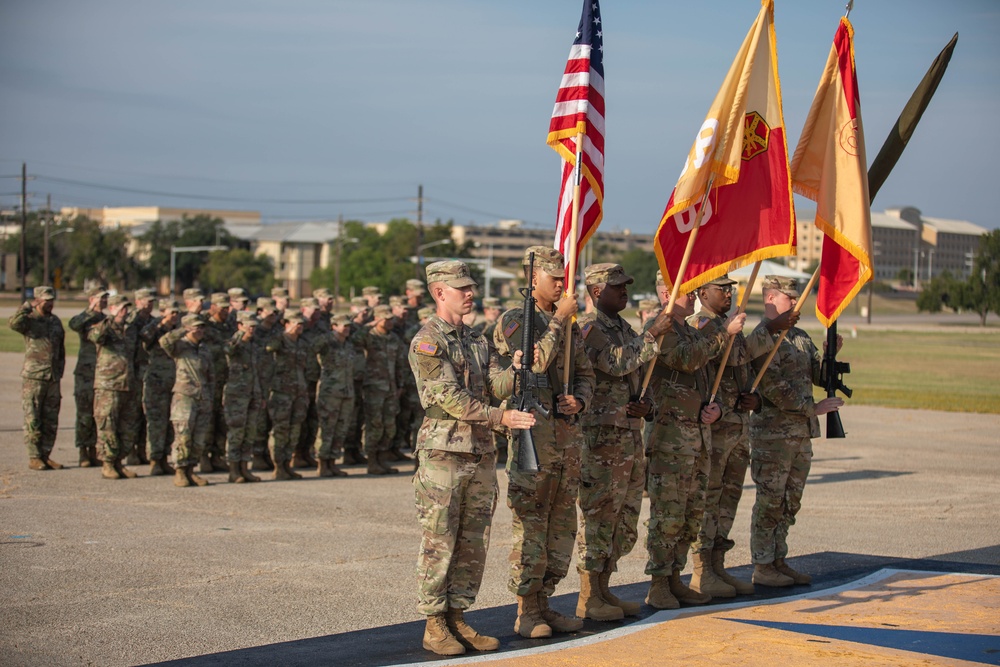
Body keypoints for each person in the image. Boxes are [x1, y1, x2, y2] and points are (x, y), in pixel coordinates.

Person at [409, 260, 532, 656]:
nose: (470, 294)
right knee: (440, 539)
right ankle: (434, 623)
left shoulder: (477, 340)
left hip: (479, 452)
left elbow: (493, 384)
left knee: (473, 540)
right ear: (438, 292)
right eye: (460, 288)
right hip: (444, 453)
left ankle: (458, 615)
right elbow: (447, 396)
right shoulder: (428, 341)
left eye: (471, 287)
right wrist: (500, 416)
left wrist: (515, 369)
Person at [494, 246, 596, 639]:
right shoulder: (515, 319)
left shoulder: (568, 325)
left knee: (562, 527)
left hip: (566, 441)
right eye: (553, 277)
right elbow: (533, 362)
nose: (561, 284)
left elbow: (584, 371)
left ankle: (545, 603)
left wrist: (580, 398)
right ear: (532, 277)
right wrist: (558, 320)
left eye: (563, 277)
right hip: (532, 439)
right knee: (532, 525)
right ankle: (525, 610)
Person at [687, 275, 798, 597]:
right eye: (722, 289)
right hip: (716, 427)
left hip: (736, 424)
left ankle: (718, 565)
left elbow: (742, 369)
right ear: (702, 291)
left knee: (728, 500)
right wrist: (769, 329)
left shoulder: (725, 325)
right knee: (710, 498)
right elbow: (732, 358)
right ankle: (702, 570)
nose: (728, 294)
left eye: (730, 289)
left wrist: (755, 399)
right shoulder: (703, 325)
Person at [574, 264, 671, 620]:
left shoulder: (623, 328)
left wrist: (645, 404)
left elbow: (635, 375)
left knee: (624, 519)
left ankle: (605, 589)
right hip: (601, 438)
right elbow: (615, 363)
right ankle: (588, 596)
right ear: (597, 291)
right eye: (617, 287)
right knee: (600, 516)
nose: (624, 292)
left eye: (626, 285)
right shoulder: (589, 328)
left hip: (628, 434)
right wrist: (652, 334)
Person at [643, 288, 745, 608]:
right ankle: (659, 583)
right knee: (667, 515)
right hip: (670, 438)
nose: (691, 296)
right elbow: (686, 360)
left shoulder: (688, 329)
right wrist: (722, 335)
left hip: (697, 438)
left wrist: (715, 409)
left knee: (690, 516)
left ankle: (676, 576)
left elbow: (704, 379)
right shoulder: (662, 327)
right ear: (666, 292)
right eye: (685, 290)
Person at [749, 276, 843, 587]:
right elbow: (772, 386)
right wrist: (811, 408)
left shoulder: (799, 337)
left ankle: (779, 559)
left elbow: (817, 375)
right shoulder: (762, 338)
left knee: (790, 501)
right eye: (792, 298)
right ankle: (763, 565)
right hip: (773, 436)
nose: (797, 303)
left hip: (800, 435)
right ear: (772, 298)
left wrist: (830, 355)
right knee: (770, 500)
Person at [9, 286, 65, 470]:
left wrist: (59, 371)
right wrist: (27, 306)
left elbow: (61, 349)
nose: (49, 303)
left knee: (50, 419)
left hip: (53, 377)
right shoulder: (30, 320)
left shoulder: (55, 321)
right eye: (46, 299)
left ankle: (45, 455)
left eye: (51, 299)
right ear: (38, 300)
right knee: (33, 417)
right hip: (34, 376)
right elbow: (13, 323)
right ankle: (34, 456)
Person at [90, 294, 143, 480]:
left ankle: (119, 462)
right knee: (108, 425)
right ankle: (108, 464)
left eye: (126, 308)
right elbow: (95, 337)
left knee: (127, 426)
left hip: (128, 384)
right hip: (108, 385)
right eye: (120, 308)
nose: (124, 311)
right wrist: (109, 319)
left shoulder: (130, 330)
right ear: (111, 309)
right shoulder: (104, 327)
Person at [160, 314, 214, 487]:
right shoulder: (180, 346)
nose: (201, 330)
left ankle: (191, 470)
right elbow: (164, 342)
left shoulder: (205, 349)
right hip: (185, 396)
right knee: (183, 435)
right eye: (197, 327)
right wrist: (182, 330)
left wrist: (211, 397)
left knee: (199, 438)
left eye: (202, 327)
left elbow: (211, 375)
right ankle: (180, 471)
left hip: (203, 397)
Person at [358, 304, 407, 475]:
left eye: (390, 319)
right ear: (377, 319)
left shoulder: (393, 339)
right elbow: (355, 340)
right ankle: (372, 461)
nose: (390, 322)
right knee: (374, 425)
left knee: (389, 425)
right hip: (374, 388)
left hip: (391, 388)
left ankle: (382, 459)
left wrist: (400, 385)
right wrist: (367, 327)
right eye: (385, 319)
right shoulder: (370, 337)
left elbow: (401, 363)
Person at [139, 298, 180, 475]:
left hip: (174, 381)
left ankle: (165, 457)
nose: (175, 316)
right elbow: (144, 337)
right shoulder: (153, 328)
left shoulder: (177, 330)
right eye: (172, 313)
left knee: (171, 423)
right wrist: (159, 324)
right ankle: (155, 459)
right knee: (156, 421)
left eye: (177, 313)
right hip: (156, 381)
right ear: (163, 313)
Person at [68, 286, 108, 467]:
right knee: (84, 412)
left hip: (103, 372)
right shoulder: (84, 318)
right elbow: (74, 324)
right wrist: (90, 310)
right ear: (91, 299)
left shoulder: (107, 319)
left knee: (99, 414)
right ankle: (83, 451)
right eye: (100, 298)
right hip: (86, 372)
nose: (103, 301)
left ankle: (95, 451)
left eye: (105, 298)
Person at [313, 313, 356, 477]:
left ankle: (332, 462)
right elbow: (312, 348)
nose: (347, 329)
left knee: (341, 428)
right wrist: (329, 336)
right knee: (327, 428)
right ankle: (322, 463)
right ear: (334, 326)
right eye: (344, 326)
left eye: (348, 326)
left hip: (347, 392)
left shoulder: (348, 345)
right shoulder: (326, 343)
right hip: (330, 392)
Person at [224, 311, 264, 483]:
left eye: (254, 326)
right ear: (239, 325)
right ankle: (233, 470)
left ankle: (244, 468)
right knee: (236, 432)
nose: (251, 329)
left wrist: (260, 394)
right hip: (236, 395)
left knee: (250, 432)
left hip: (252, 393)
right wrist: (241, 336)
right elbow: (228, 349)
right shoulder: (235, 343)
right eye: (248, 325)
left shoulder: (253, 345)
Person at [126, 288, 156, 466]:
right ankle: (130, 451)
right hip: (134, 370)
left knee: (146, 414)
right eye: (146, 301)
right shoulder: (132, 320)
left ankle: (142, 450)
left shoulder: (153, 321)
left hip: (149, 370)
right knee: (133, 413)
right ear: (137, 302)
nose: (149, 304)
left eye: (151, 301)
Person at [293, 297, 323, 469]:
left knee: (313, 419)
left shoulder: (320, 327)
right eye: (314, 309)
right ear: (304, 309)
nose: (317, 312)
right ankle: (295, 454)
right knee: (299, 419)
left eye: (319, 309)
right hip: (299, 380)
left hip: (316, 379)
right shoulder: (298, 327)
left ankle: (306, 452)